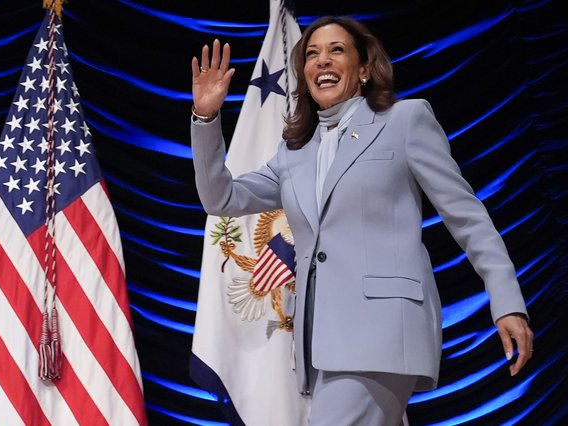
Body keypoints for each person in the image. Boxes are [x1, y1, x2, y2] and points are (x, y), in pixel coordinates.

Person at [190, 16, 534, 426]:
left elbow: (468, 217)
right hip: (321, 343)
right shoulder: (293, 153)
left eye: (337, 50)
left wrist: (507, 301)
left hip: (384, 331)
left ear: (365, 69)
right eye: (312, 54)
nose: (322, 61)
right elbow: (220, 197)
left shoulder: (405, 121)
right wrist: (206, 119)